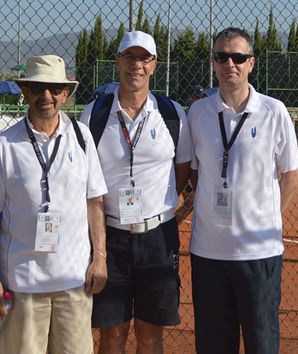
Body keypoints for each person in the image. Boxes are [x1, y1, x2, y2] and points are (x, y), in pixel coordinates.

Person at [0, 54, 108, 354]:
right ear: (25, 91)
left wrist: (100, 257)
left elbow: (94, 202)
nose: (46, 96)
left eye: (54, 88)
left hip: (74, 282)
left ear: (65, 93)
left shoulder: (82, 138)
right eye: (38, 87)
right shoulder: (6, 145)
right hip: (23, 284)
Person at [187, 27, 298, 353]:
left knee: (262, 344)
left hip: (259, 254)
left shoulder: (273, 111)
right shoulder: (198, 113)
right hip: (208, 254)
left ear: (251, 63)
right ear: (213, 62)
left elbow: (292, 177)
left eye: (238, 57)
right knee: (212, 346)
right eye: (222, 56)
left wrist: (263, 219)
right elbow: (195, 175)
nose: (230, 64)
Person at [79, 31, 191, 354]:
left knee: (149, 333)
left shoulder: (172, 115)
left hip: (158, 237)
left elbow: (181, 173)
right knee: (112, 333)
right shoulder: (94, 115)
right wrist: (98, 252)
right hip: (110, 238)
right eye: (130, 57)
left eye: (144, 58)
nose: (136, 66)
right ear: (118, 62)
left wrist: (160, 210)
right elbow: (88, 185)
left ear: (154, 66)